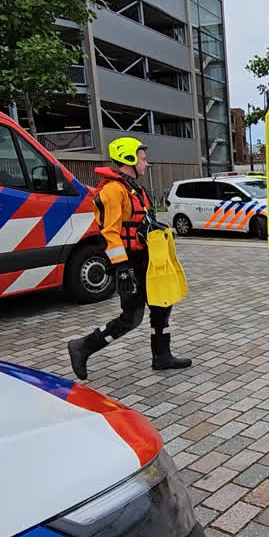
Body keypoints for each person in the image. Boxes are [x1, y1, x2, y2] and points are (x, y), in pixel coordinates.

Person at [68, 138, 191, 379]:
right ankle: (82, 347)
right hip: (131, 263)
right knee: (131, 318)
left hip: (148, 259)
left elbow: (137, 221)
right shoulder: (114, 191)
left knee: (162, 304)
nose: (146, 163)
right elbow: (109, 232)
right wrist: (121, 267)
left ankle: (162, 356)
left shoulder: (134, 188)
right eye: (143, 159)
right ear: (128, 159)